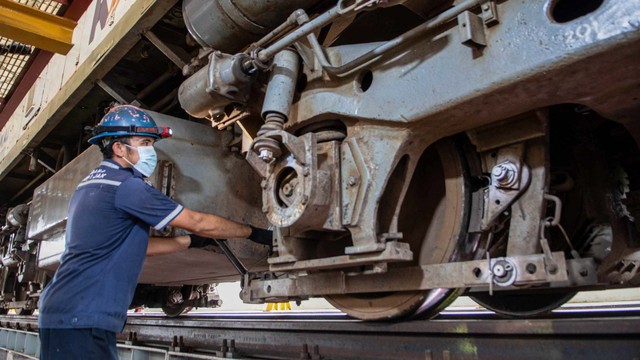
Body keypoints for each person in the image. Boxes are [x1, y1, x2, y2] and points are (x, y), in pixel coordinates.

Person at [37, 105, 272, 359]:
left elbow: (131, 245)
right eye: (145, 142)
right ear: (118, 148)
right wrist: (252, 233)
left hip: (65, 311)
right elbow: (197, 220)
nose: (151, 150)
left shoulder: (91, 184)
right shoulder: (127, 187)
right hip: (82, 316)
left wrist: (189, 242)